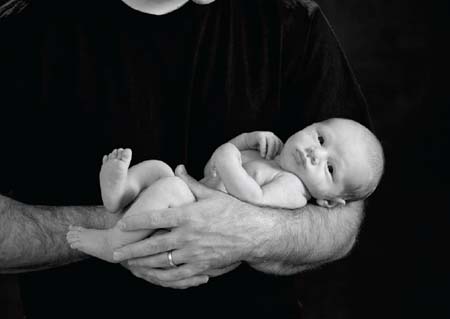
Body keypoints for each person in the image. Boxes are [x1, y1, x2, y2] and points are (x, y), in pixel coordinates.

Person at [0, 0, 374, 318]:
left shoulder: (287, 19)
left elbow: (343, 217)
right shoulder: (24, 29)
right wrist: (138, 226)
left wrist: (253, 232)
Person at [66, 118, 383, 264]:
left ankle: (113, 243)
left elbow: (252, 198)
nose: (316, 153)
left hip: (197, 217)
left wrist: (228, 158)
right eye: (321, 139)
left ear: (328, 201)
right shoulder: (272, 151)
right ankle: (119, 194)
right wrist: (244, 141)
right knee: (158, 170)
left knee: (171, 187)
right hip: (195, 190)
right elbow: (215, 165)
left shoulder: (294, 189)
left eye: (329, 169)